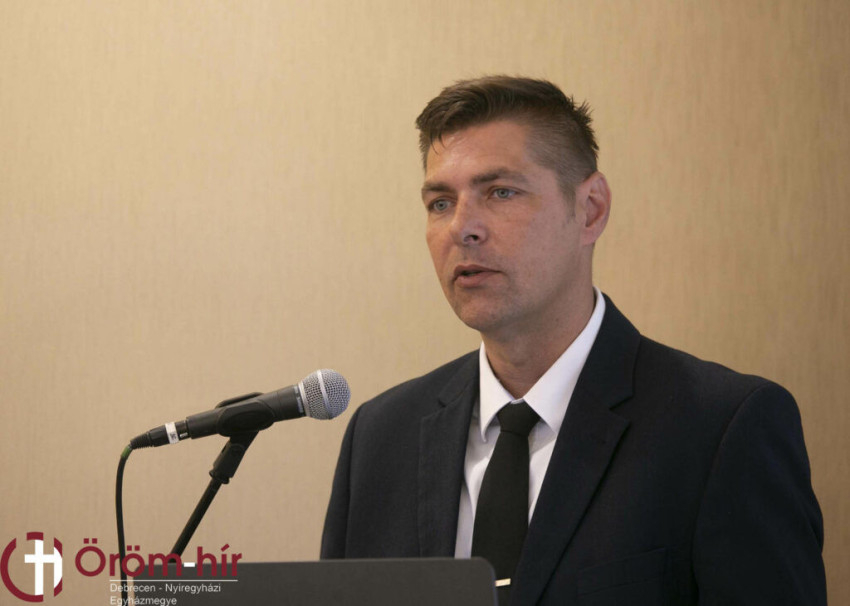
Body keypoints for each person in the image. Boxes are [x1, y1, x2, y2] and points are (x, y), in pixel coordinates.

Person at [321, 76, 826, 605]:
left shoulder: (722, 428)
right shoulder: (380, 439)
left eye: (500, 192)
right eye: (441, 202)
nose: (462, 228)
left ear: (591, 209)